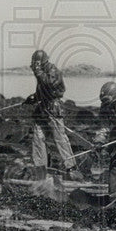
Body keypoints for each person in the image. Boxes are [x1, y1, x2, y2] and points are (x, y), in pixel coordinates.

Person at [24, 49, 82, 179]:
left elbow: (49, 84)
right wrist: (34, 97)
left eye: (35, 65)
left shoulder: (52, 71)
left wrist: (38, 71)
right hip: (42, 110)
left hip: (53, 110)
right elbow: (44, 89)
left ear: (40, 63)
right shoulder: (43, 72)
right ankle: (40, 170)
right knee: (38, 139)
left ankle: (71, 168)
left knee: (60, 139)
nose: (34, 68)